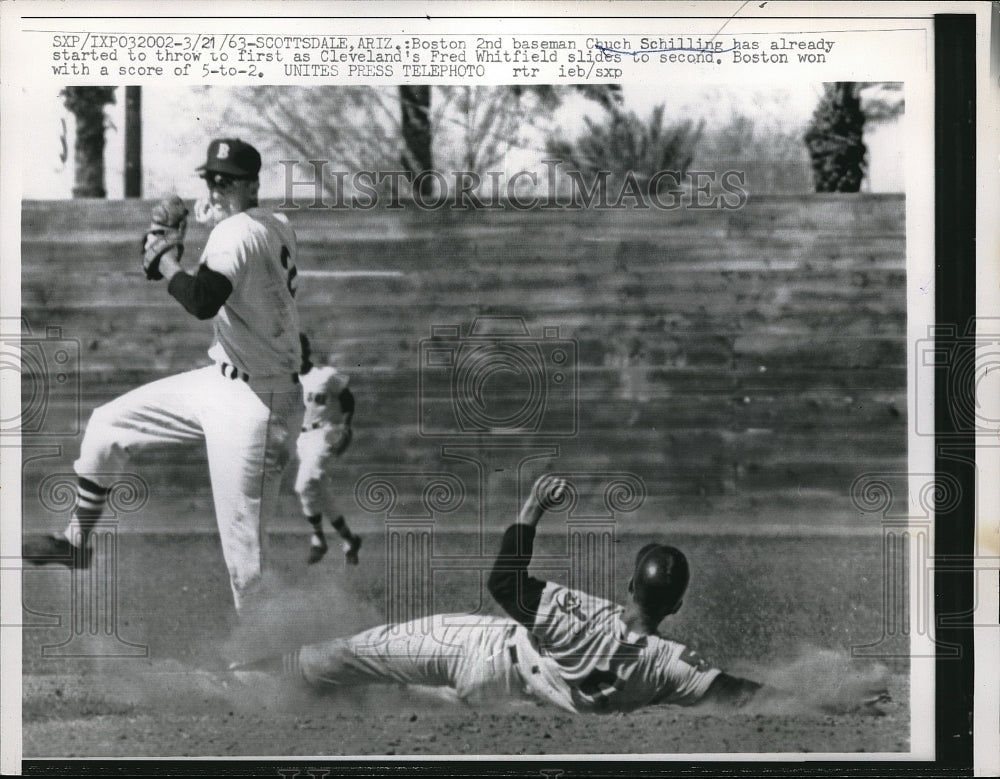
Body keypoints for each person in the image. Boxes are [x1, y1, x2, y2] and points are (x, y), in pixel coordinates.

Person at [23, 138, 304, 614]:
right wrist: (194, 224)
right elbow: (226, 228)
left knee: (245, 559)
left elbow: (201, 300)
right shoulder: (275, 222)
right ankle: (75, 543)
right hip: (223, 382)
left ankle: (276, 670)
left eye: (227, 179)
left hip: (259, 404)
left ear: (252, 183)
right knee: (108, 424)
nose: (215, 187)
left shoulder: (237, 232)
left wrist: (166, 260)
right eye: (211, 177)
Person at [230, 476, 764, 713]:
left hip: (480, 649)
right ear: (675, 605)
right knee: (403, 690)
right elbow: (738, 693)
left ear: (629, 584)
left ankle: (236, 682)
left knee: (355, 655)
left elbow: (504, 584)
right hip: (506, 698)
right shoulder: (672, 666)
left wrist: (532, 508)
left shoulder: (582, 617)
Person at [294, 332, 361, 565]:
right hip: (302, 437)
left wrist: (346, 426)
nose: (295, 353)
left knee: (303, 485)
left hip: (326, 433)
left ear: (307, 351)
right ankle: (350, 539)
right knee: (321, 493)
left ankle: (318, 539)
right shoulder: (288, 380)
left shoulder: (324, 375)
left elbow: (348, 400)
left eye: (299, 348)